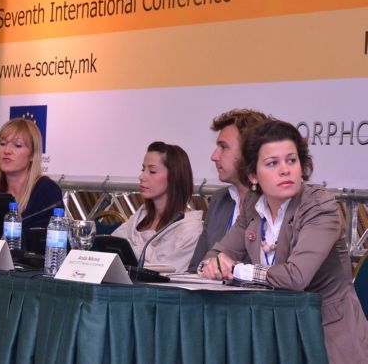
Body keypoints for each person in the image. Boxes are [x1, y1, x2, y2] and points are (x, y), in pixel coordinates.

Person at [198, 120, 368, 364]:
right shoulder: (252, 207)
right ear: (253, 175)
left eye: (291, 160)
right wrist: (214, 265)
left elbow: (296, 277)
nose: (285, 170)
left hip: (327, 336)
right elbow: (214, 254)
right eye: (272, 163)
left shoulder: (320, 206)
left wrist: (236, 270)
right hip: (275, 334)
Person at [188, 109, 269, 269]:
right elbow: (196, 267)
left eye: (223, 147)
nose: (214, 156)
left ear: (249, 151)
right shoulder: (219, 200)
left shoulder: (273, 204)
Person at [112, 141, 203, 271]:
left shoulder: (190, 228)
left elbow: (165, 272)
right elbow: (112, 247)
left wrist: (132, 250)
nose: (142, 176)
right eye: (143, 169)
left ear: (174, 177)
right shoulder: (142, 214)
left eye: (152, 171)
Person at [0, 118, 62, 239]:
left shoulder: (47, 191)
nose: (7, 151)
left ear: (32, 155)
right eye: (2, 144)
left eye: (17, 145)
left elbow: (45, 241)